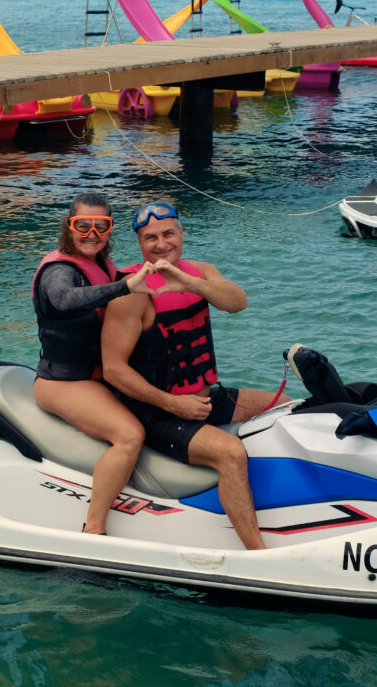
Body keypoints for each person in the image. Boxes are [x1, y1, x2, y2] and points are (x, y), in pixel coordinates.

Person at [101, 200, 283, 551]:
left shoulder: (199, 272)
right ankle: (258, 554)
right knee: (230, 453)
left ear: (182, 234)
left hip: (203, 398)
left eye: (168, 233)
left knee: (286, 409)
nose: (161, 243)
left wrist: (189, 282)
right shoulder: (132, 292)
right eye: (150, 237)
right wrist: (174, 404)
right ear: (139, 243)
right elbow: (114, 369)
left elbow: (237, 302)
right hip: (156, 411)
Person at [32, 193, 155, 535]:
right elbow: (64, 299)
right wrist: (125, 287)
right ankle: (94, 528)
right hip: (63, 383)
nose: (92, 233)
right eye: (82, 225)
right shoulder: (59, 271)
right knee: (130, 436)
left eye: (101, 226)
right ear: (68, 227)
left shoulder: (103, 265)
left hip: (98, 378)